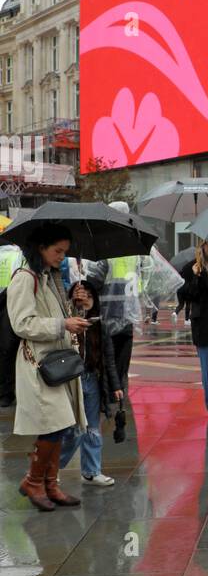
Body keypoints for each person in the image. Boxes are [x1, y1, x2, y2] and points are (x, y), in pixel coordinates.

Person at [6, 223, 89, 511]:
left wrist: (77, 308)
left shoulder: (50, 278)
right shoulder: (24, 279)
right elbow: (23, 323)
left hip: (57, 364)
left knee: (61, 425)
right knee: (53, 426)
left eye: (65, 252)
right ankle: (34, 481)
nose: (62, 257)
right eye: (58, 251)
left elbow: (55, 317)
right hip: (38, 365)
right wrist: (63, 323)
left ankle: (50, 484)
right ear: (40, 247)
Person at [58, 280, 123, 486]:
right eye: (81, 294)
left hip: (92, 379)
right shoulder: (67, 318)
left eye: (89, 295)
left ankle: (92, 471)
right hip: (71, 380)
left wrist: (116, 385)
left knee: (92, 428)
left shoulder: (100, 324)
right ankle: (50, 469)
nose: (85, 298)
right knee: (72, 430)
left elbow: (109, 357)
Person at [85, 201, 141, 393]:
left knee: (107, 359)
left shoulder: (104, 247)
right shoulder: (134, 248)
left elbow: (93, 281)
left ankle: (109, 396)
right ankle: (120, 395)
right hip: (128, 316)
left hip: (107, 314)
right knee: (121, 362)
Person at [178, 239, 208, 420]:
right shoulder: (191, 267)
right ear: (202, 246)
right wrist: (196, 278)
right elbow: (184, 295)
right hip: (204, 321)